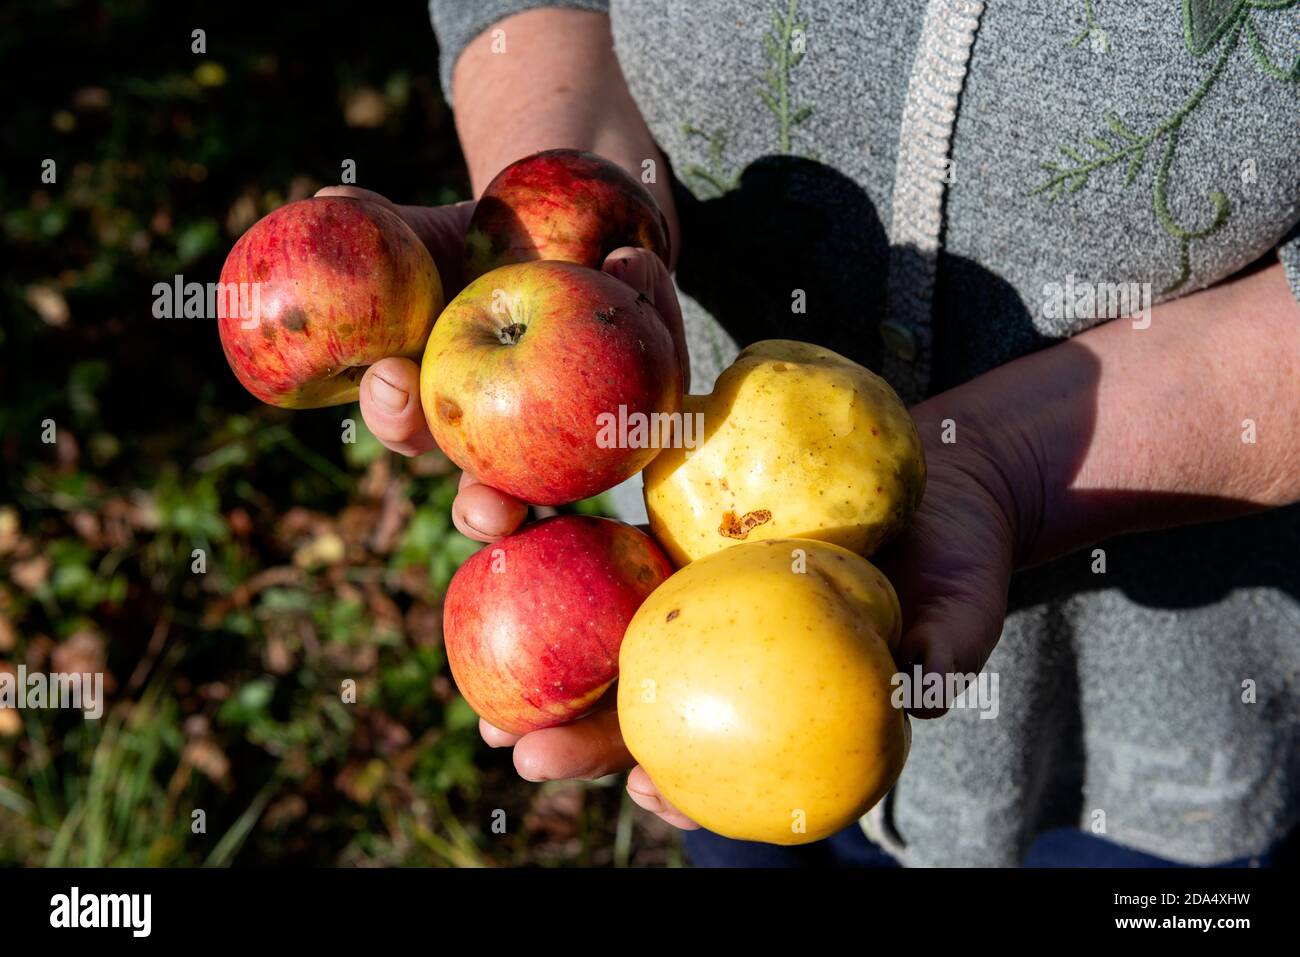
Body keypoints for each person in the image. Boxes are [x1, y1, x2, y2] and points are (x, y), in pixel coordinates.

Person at [326, 2, 1300, 866]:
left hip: (1156, 696)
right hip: (676, 610)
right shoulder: (656, 560)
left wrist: (1008, 469)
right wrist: (563, 231)